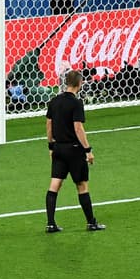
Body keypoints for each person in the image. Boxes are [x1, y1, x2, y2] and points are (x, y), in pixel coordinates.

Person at [45, 69, 105, 233]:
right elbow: (78, 128)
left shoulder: (54, 101)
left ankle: (50, 224)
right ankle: (91, 222)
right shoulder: (76, 103)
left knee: (54, 185)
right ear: (79, 83)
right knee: (82, 186)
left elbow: (48, 125)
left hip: (58, 148)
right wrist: (88, 150)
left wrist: (51, 146)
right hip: (74, 149)